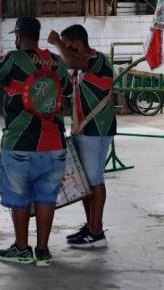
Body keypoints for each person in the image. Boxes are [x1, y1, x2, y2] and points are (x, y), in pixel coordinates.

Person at [0, 17, 70, 268]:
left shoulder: (13, 59)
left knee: (20, 199)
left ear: (17, 35)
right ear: (37, 34)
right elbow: (66, 90)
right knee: (47, 199)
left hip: (19, 144)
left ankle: (23, 248)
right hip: (54, 143)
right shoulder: (56, 62)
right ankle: (43, 251)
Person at [48, 24, 114, 250]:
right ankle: (91, 226)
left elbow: (73, 61)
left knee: (95, 180)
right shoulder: (79, 70)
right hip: (84, 130)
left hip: (96, 130)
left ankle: (96, 233)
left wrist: (56, 41)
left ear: (77, 43)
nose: (64, 51)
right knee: (88, 182)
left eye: (67, 46)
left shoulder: (96, 59)